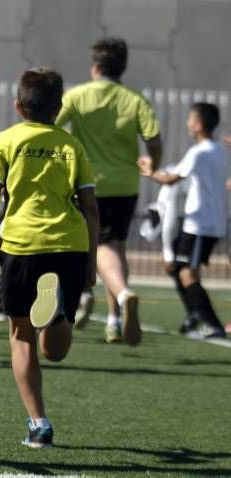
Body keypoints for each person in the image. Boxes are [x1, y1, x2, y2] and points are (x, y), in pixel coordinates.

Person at [0, 67, 98, 449]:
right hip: (70, 244)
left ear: (18, 106)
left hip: (22, 244)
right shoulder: (71, 145)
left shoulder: (5, 141)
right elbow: (92, 208)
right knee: (57, 350)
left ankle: (39, 423)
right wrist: (91, 260)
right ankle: (59, 312)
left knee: (21, 336)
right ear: (59, 107)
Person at [55, 37, 162, 346]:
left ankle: (119, 293)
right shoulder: (135, 99)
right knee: (116, 246)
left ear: (95, 66)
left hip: (89, 181)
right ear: (122, 67)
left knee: (96, 245)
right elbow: (153, 140)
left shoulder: (76, 96)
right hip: (126, 183)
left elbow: (51, 126)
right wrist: (151, 165)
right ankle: (114, 320)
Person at [141, 103, 227, 339]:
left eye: (190, 118)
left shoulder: (199, 152)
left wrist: (149, 170)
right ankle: (194, 314)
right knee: (175, 267)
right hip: (201, 223)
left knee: (188, 274)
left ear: (198, 124)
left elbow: (170, 180)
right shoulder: (217, 149)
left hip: (202, 224)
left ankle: (213, 325)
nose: (187, 123)